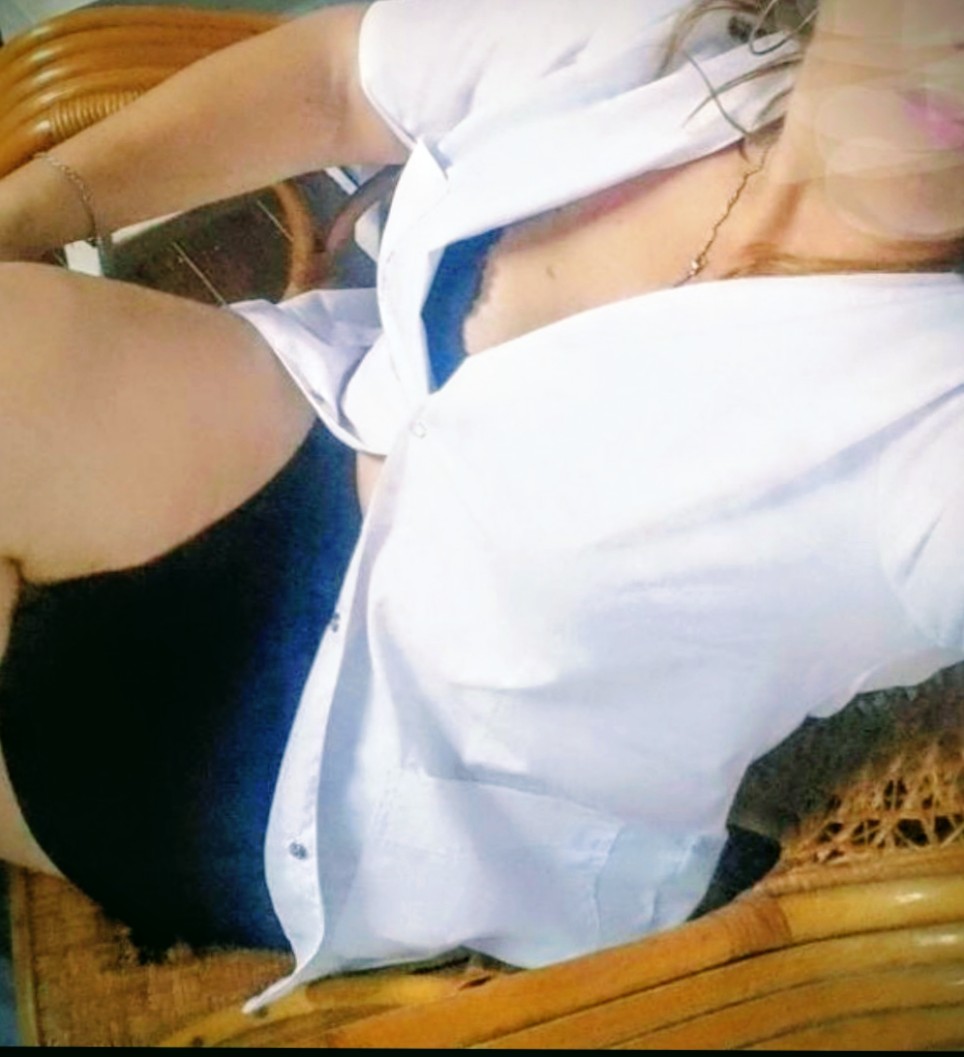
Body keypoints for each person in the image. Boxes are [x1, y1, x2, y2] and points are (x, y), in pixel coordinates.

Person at [0, 0, 961, 1011]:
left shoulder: (930, 427)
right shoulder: (674, 44)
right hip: (317, 432)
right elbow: (338, 79)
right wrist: (21, 220)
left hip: (335, 796)